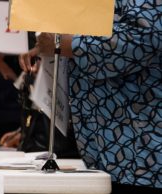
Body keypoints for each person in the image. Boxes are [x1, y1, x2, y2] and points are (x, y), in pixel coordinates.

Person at [19, 1, 162, 193]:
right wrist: (50, 47)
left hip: (141, 153)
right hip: (104, 152)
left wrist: (66, 44)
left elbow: (144, 38)